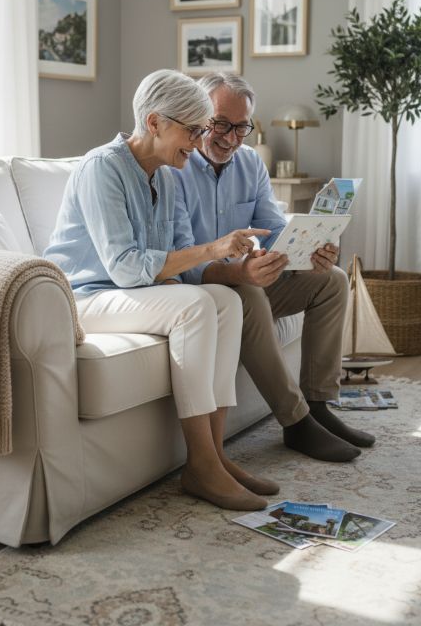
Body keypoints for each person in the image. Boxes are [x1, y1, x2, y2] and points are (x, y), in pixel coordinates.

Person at [44, 69, 277, 511]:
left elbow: (179, 256)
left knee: (225, 301)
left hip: (129, 294)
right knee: (193, 307)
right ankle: (201, 464)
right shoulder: (102, 168)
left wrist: (222, 260)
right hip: (84, 297)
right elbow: (128, 266)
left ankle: (217, 454)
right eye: (193, 130)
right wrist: (211, 248)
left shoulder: (168, 177)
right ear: (155, 123)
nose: (199, 141)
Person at [172, 72, 375, 466]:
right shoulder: (175, 165)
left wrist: (311, 250)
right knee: (246, 293)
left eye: (242, 127)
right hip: (206, 287)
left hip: (250, 277)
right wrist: (240, 271)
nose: (231, 138)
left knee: (330, 280)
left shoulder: (250, 163)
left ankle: (317, 405)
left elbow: (276, 228)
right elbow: (181, 258)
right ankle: (295, 421)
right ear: (200, 117)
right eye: (221, 124)